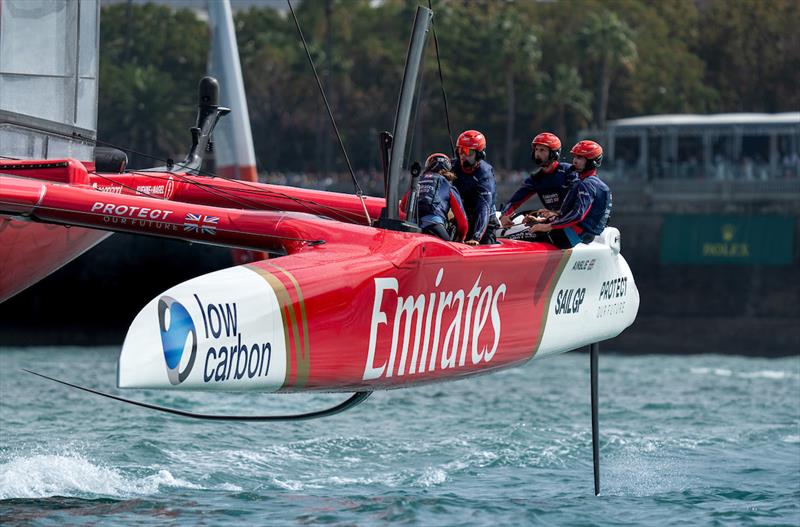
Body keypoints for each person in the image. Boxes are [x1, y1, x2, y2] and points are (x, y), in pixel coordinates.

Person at [528, 140, 612, 248]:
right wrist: (548, 218)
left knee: (522, 233)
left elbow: (578, 215)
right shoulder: (593, 183)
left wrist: (547, 226)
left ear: (592, 161)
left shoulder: (587, 184)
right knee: (533, 224)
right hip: (582, 235)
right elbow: (571, 212)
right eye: (575, 157)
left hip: (571, 237)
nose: (575, 161)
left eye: (580, 158)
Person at [499, 132, 576, 228]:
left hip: (572, 222)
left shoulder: (568, 171)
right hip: (553, 221)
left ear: (553, 153)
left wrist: (557, 213)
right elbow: (515, 201)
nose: (537, 154)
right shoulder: (535, 178)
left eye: (542, 150)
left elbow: (578, 201)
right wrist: (504, 215)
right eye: (536, 150)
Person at [400, 153, 468, 242]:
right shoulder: (449, 186)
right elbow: (463, 223)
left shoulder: (418, 181)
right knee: (450, 252)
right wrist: (461, 239)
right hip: (434, 225)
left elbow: (402, 207)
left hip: (412, 226)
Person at [451, 130, 498, 245]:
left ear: (479, 154)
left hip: (484, 223)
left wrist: (476, 237)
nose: (463, 155)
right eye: (461, 150)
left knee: (485, 240)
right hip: (462, 219)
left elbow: (484, 208)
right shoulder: (452, 166)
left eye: (468, 151)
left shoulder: (484, 174)